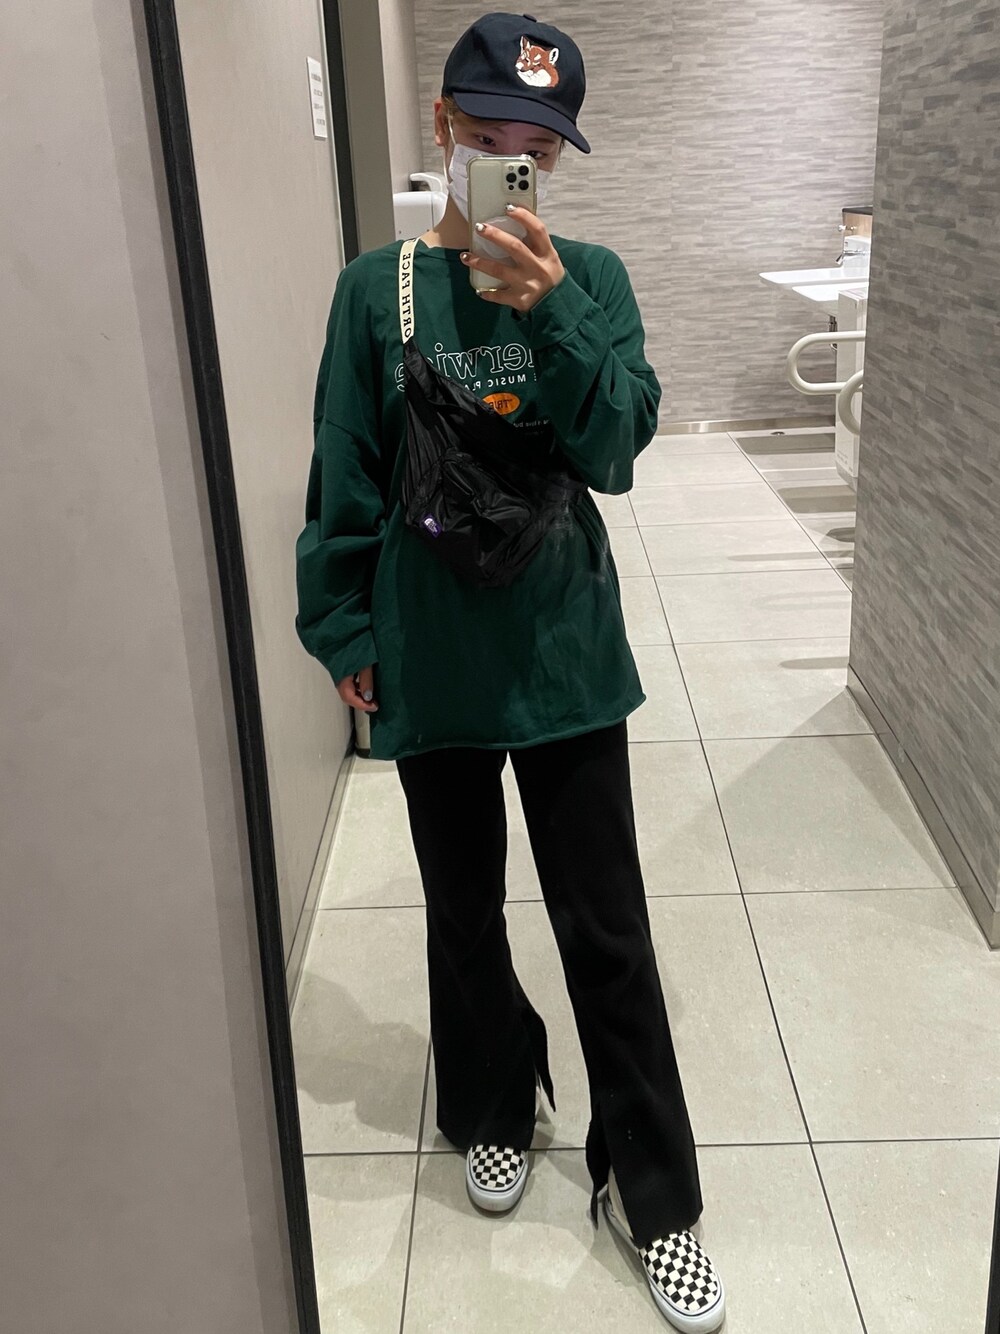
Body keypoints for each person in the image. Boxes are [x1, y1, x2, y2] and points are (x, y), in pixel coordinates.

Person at [295, 12, 726, 1331]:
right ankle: (492, 1100)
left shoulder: (589, 274)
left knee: (608, 925)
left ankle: (654, 1191)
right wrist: (344, 629)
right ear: (442, 129)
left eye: (533, 152)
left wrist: (552, 314)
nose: (508, 171)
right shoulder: (375, 291)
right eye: (486, 140)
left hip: (563, 650)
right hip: (432, 651)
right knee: (462, 909)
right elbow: (345, 465)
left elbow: (618, 449)